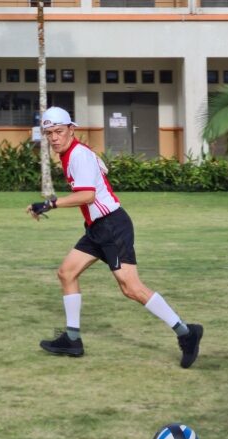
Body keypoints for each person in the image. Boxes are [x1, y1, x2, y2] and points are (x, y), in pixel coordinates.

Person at [27, 107, 203, 369]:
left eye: (59, 132)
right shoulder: (72, 154)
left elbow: (88, 195)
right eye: (49, 133)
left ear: (71, 130)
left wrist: (50, 204)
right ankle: (72, 339)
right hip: (98, 228)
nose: (54, 138)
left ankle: (186, 333)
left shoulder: (78, 155)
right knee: (66, 273)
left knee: (131, 287)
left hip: (112, 226)